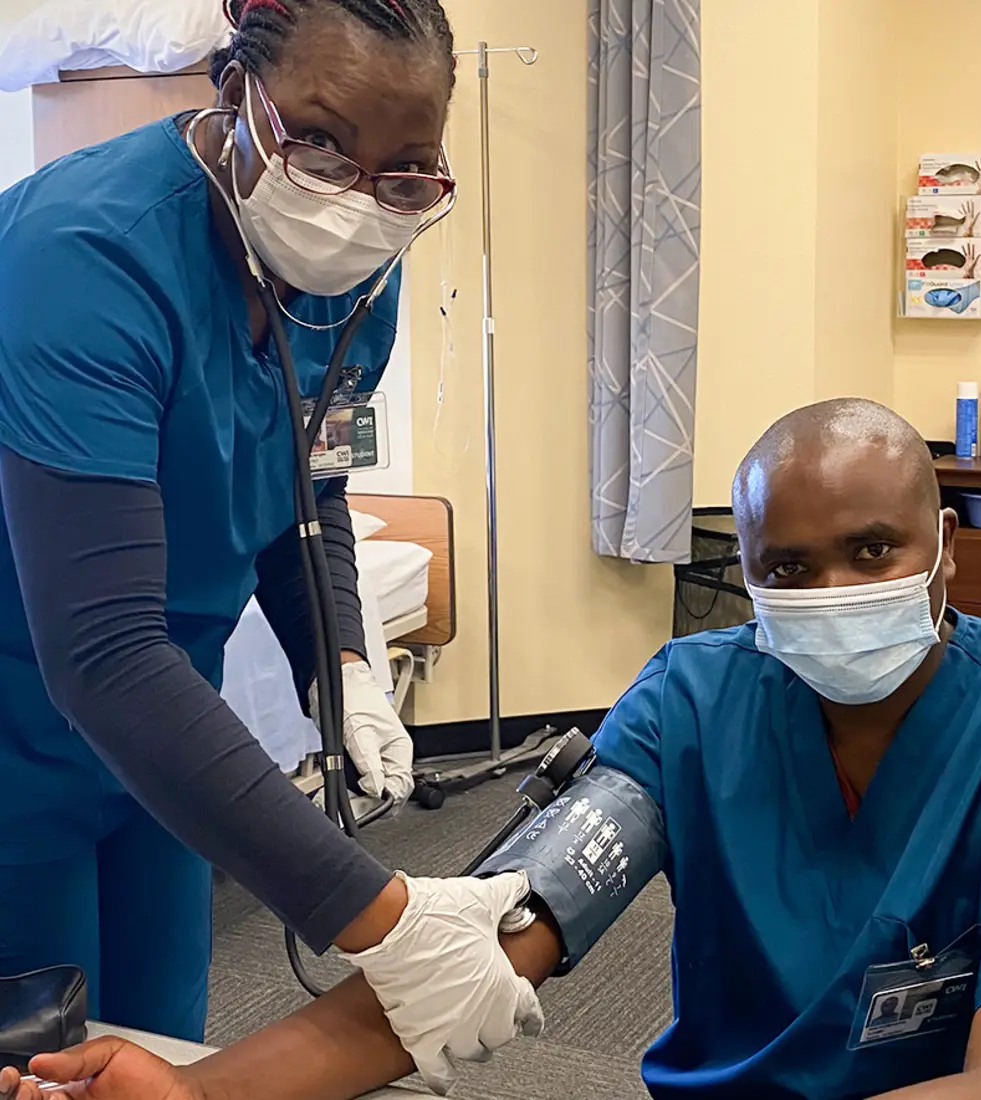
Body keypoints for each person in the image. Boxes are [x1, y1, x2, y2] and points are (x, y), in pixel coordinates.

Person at [8, 397, 981, 1100]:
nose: (833, 594)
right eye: (788, 567)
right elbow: (482, 945)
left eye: (873, 549)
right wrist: (202, 1094)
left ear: (943, 545)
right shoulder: (694, 705)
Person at [0, 0, 541, 1081]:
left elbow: (307, 488)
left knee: (164, 1053)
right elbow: (100, 652)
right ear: (233, 86)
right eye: (321, 140)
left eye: (404, 171)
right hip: (23, 736)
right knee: (39, 1057)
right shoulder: (82, 257)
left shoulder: (353, 284)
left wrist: (340, 660)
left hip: (167, 742)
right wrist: (383, 916)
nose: (356, 198)